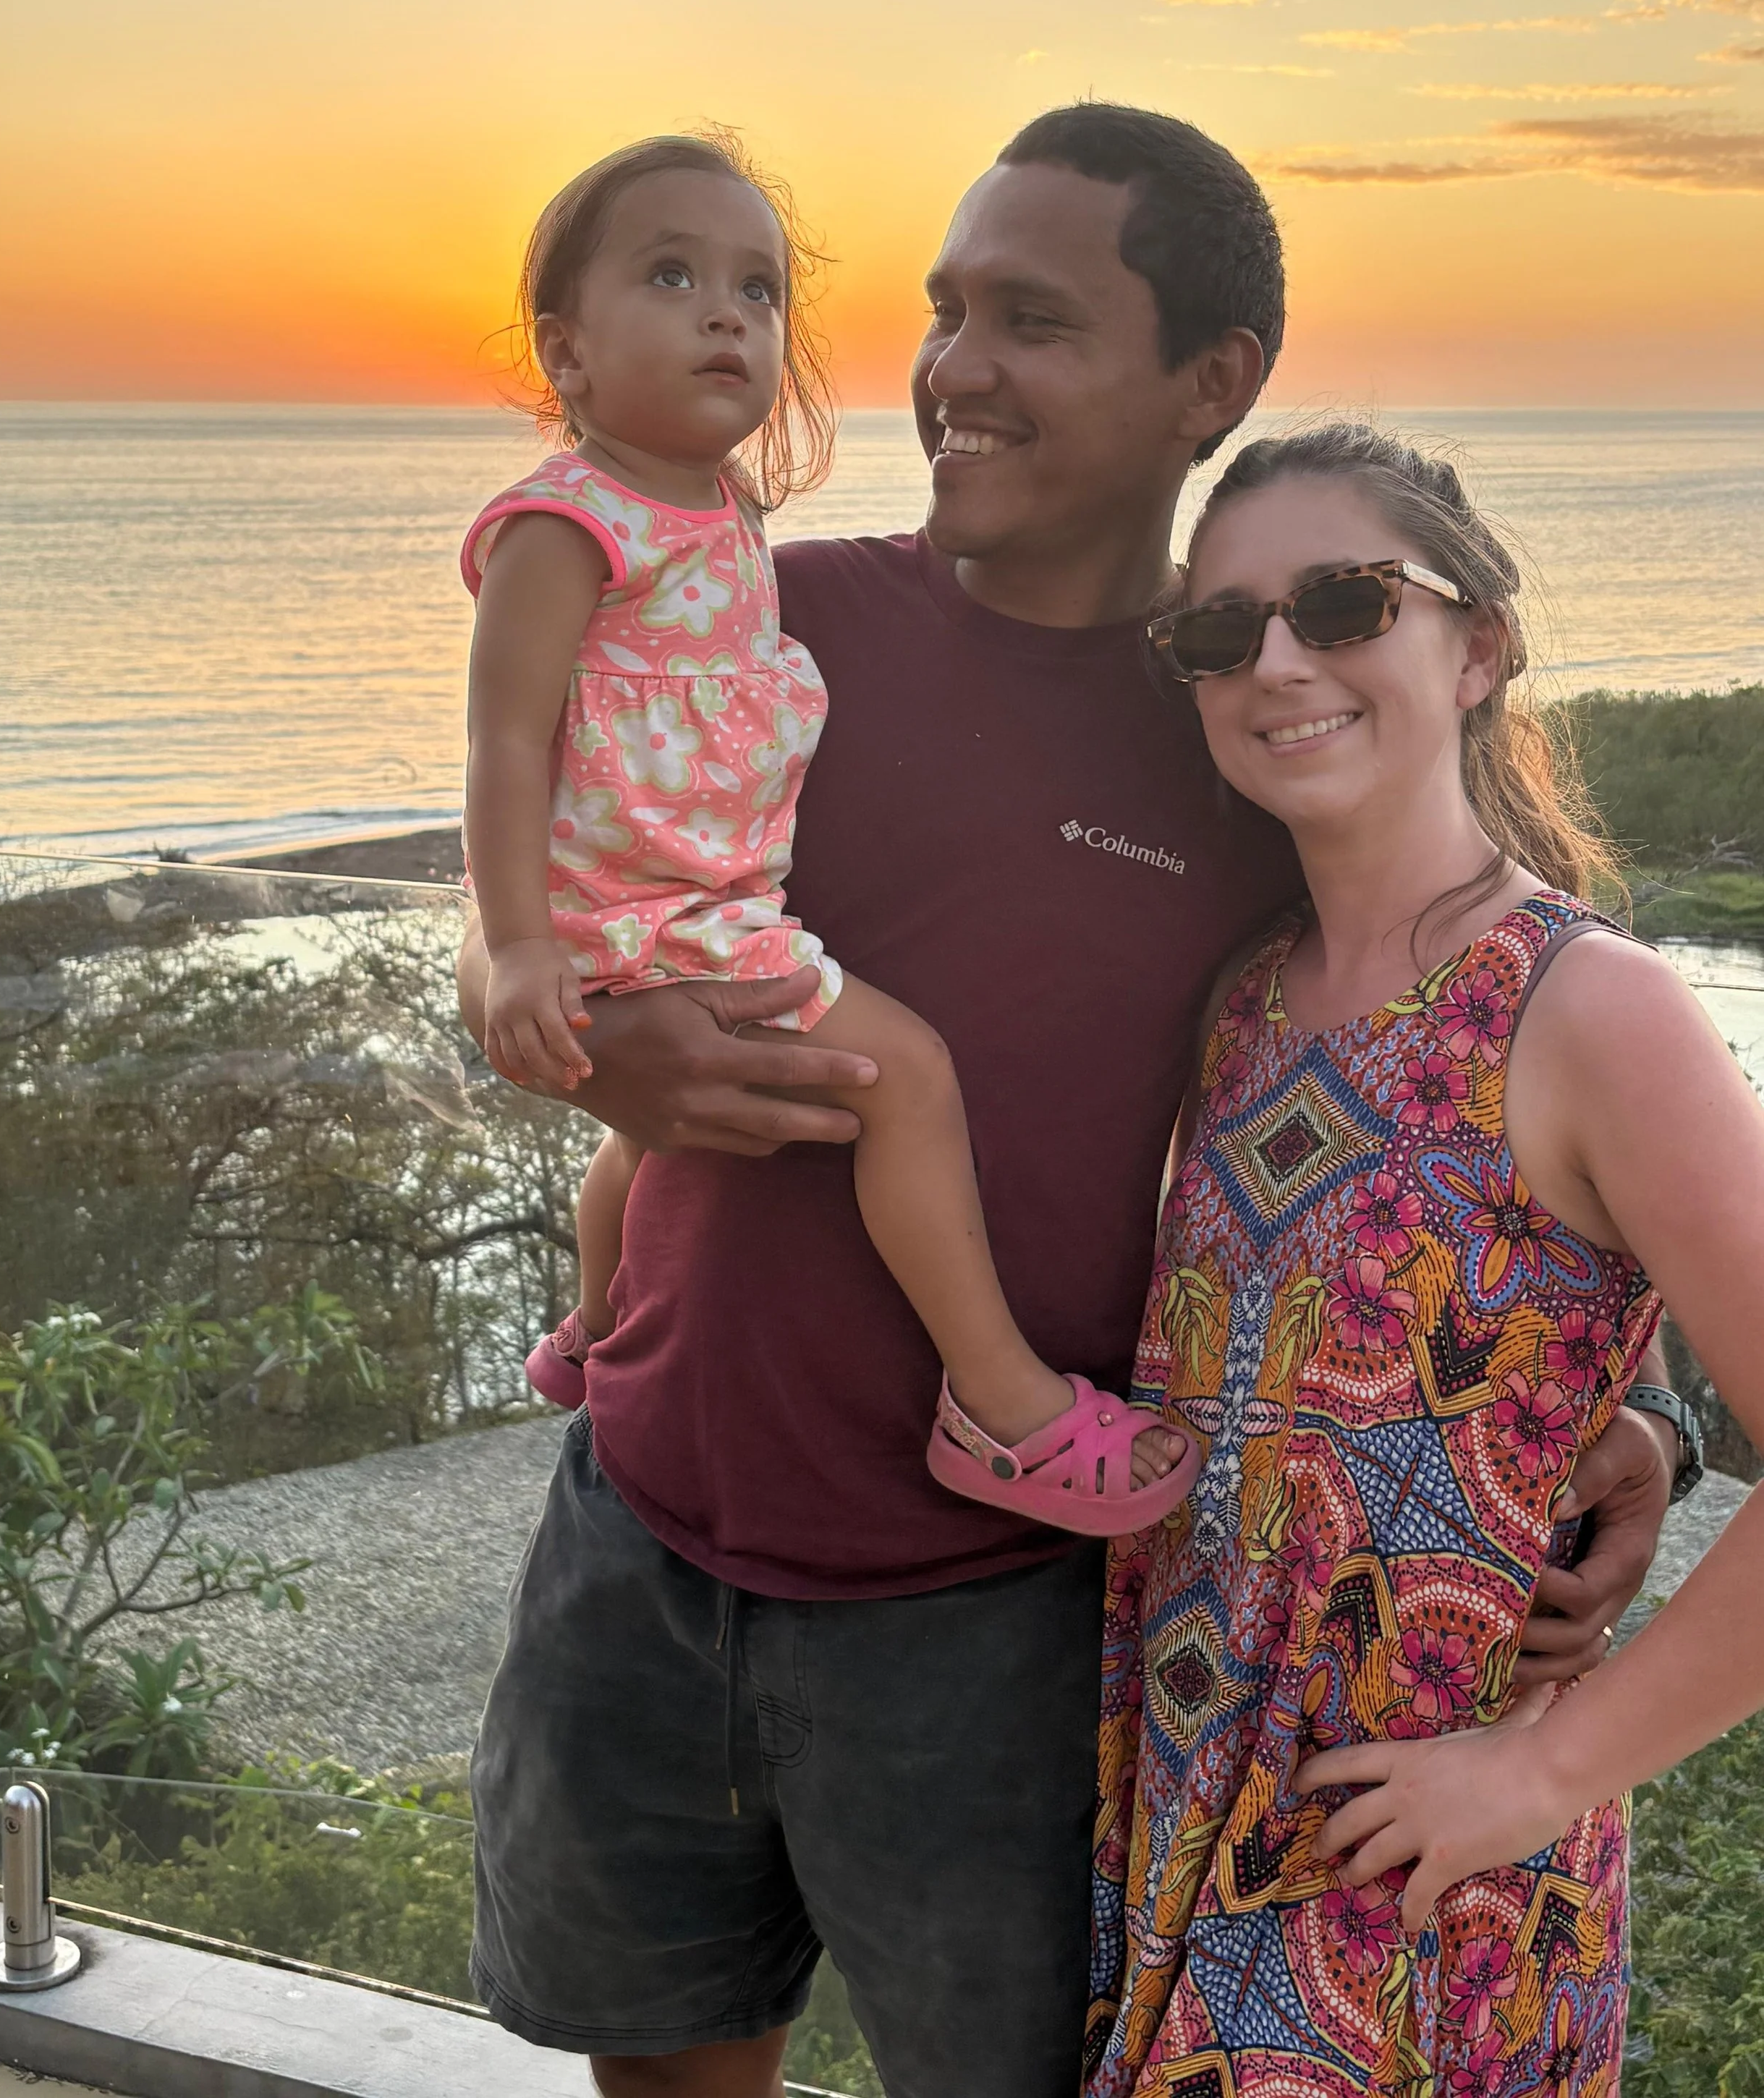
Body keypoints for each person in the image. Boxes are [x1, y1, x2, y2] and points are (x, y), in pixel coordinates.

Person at [459, 109, 1681, 2098]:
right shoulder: (766, 618)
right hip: (640, 1535)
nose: (953, 369)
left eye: (1030, 319)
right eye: (943, 311)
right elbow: (545, 851)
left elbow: (1477, 1091)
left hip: (994, 1627)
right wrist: (530, 1005)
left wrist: (1639, 1418)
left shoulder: (1258, 720)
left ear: (1212, 378)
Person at [1087, 421, 1755, 2097]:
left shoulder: (1588, 1010)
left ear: (1475, 649)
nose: (1275, 660)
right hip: (1178, 1836)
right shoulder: (1237, 998)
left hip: (1419, 1902)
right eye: (1217, 629)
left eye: (1339, 602)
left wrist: (1541, 1776)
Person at [462, 129, 1195, 1532]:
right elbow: (507, 755)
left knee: (646, 1144)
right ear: (564, 350)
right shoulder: (601, 538)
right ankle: (1002, 1402)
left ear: (1207, 379)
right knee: (902, 1076)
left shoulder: (1250, 726)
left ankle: (588, 1324)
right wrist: (522, 963)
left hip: (681, 912)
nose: (725, 317)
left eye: (756, 289)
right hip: (672, 934)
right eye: (671, 277)